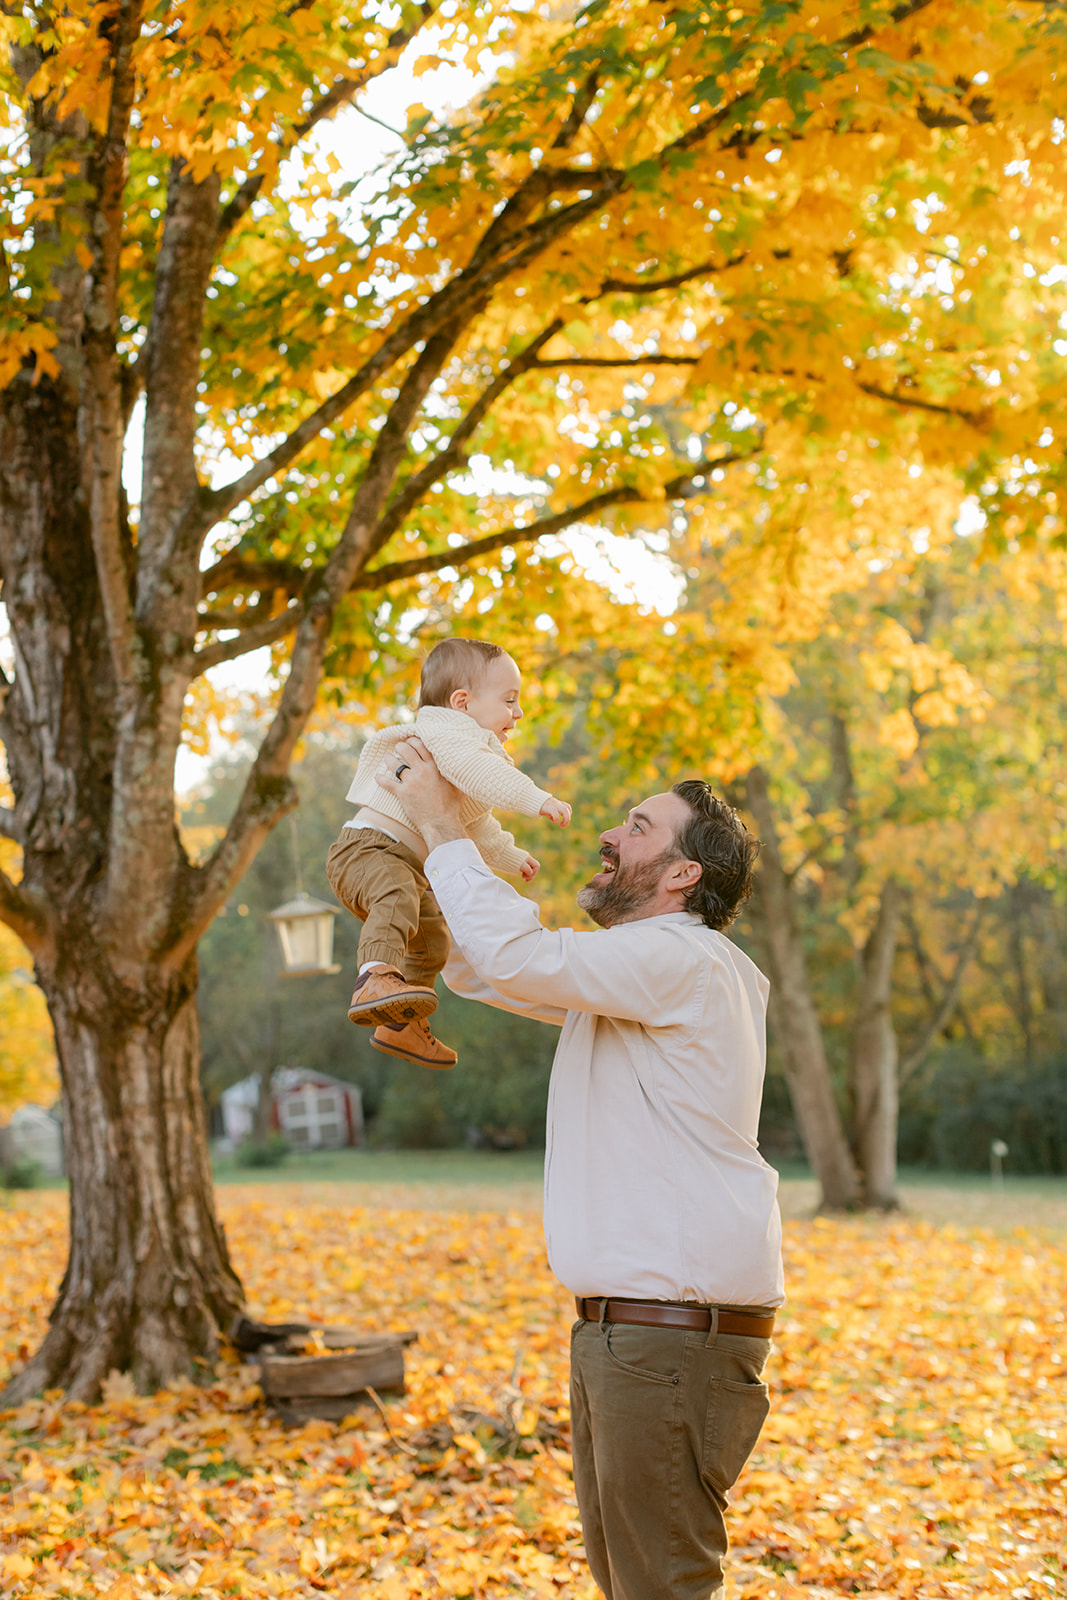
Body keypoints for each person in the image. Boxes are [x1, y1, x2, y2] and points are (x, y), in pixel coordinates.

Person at [375, 740, 785, 1600]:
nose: (607, 834)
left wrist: (447, 827)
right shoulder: (635, 979)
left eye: (636, 828)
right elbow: (490, 966)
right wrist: (410, 864)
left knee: (660, 1587)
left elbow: (523, 957)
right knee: (631, 1581)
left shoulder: (685, 959)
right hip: (629, 1334)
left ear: (681, 876)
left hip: (667, 1336)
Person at [325, 638, 571, 1069]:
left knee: (432, 943)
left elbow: (475, 826)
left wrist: (512, 857)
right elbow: (486, 774)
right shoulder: (447, 732)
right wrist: (538, 799)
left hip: (403, 862)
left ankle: (401, 1025)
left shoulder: (462, 755)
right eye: (510, 701)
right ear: (462, 702)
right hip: (369, 849)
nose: (518, 713)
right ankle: (373, 978)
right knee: (396, 896)